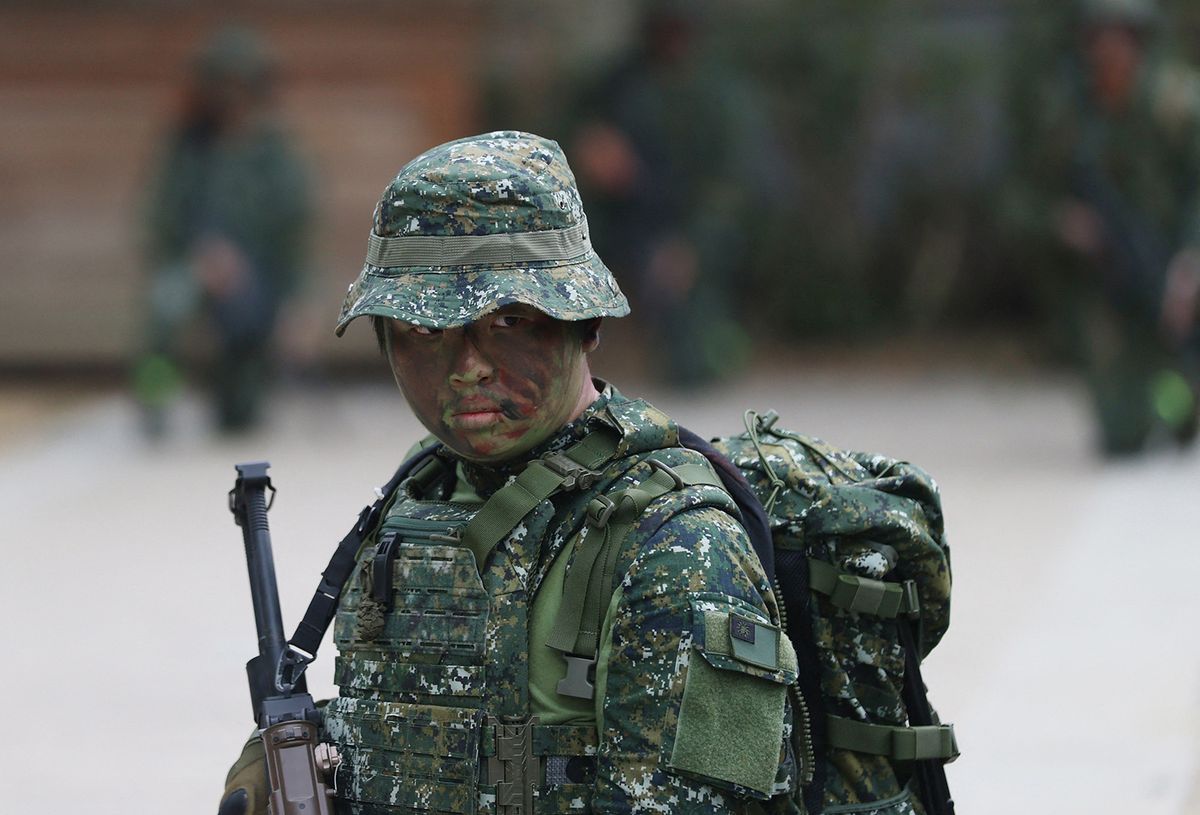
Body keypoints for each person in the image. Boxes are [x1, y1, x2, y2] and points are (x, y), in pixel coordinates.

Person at [219, 131, 802, 814]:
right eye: (425, 329)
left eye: (508, 321)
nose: (467, 366)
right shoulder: (423, 487)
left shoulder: (675, 546)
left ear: (582, 323)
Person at [134, 26, 312, 436]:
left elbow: (296, 236)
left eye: (241, 85)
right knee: (166, 306)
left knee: (239, 419)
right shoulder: (189, 149)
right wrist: (199, 259)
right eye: (222, 85)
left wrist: (300, 304)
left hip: (257, 283)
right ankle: (155, 401)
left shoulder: (276, 155)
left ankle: (237, 393)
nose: (231, 97)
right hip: (193, 267)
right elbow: (159, 219)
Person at [1042, 0, 1200, 454]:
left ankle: (1181, 404)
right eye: (1100, 40)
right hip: (1109, 281)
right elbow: (1028, 192)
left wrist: (1189, 263)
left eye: (1121, 39)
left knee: (1178, 362)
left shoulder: (1178, 104)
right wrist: (1063, 221)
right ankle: (1157, 407)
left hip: (1178, 261)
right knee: (1121, 437)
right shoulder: (1072, 113)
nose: (1110, 53)